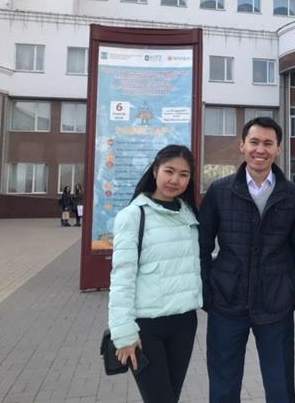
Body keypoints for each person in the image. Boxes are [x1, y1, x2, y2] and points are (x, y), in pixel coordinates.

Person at [199, 117, 295, 403]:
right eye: (254, 142)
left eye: (268, 143)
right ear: (242, 146)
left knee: (280, 386)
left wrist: (294, 291)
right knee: (223, 386)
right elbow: (202, 245)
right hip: (226, 302)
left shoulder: (293, 196)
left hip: (275, 304)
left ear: (278, 149)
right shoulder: (220, 191)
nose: (261, 150)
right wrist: (207, 291)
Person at [108, 144, 202, 403]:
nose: (175, 180)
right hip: (146, 328)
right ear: (155, 171)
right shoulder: (133, 216)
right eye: (169, 171)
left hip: (184, 323)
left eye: (183, 174)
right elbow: (122, 278)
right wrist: (123, 332)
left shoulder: (189, 215)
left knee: (171, 397)